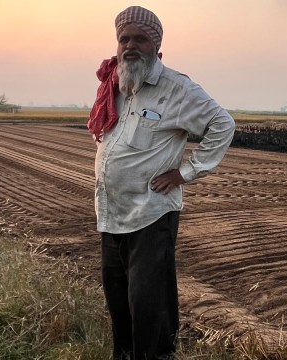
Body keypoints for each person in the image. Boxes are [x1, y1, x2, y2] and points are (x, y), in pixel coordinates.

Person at [87, 5, 235, 360]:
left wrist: (186, 172)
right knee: (119, 302)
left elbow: (222, 124)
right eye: (124, 38)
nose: (130, 45)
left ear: (157, 46)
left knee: (150, 306)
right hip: (112, 214)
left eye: (140, 38)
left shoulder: (177, 88)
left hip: (151, 215)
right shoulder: (117, 83)